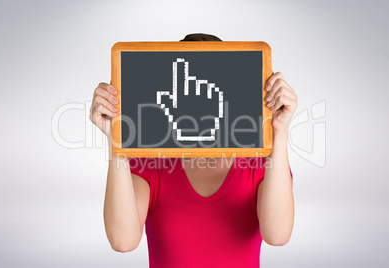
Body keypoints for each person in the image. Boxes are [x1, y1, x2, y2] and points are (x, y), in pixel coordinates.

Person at [89, 33, 297, 268]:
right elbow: (122, 241)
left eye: (206, 91)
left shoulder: (261, 162)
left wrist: (278, 131)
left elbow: (278, 235)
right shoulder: (150, 162)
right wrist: (116, 137)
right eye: (186, 92)